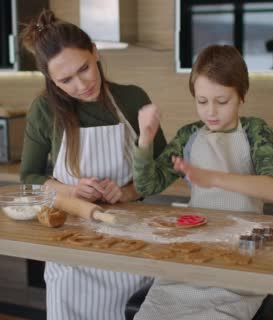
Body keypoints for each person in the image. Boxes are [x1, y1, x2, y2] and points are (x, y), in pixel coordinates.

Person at [19, 9, 167, 320]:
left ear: (95, 52)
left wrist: (127, 192)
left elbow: (164, 167)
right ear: (51, 79)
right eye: (65, 80)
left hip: (129, 244)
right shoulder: (44, 110)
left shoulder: (131, 98)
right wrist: (70, 190)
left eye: (84, 69)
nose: (80, 84)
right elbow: (29, 177)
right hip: (70, 253)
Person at [132, 44, 273, 320]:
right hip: (193, 258)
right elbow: (146, 186)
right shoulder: (188, 136)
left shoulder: (255, 131)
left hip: (241, 259)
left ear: (242, 96)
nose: (211, 112)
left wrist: (212, 178)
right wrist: (145, 139)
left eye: (222, 101)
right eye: (202, 101)